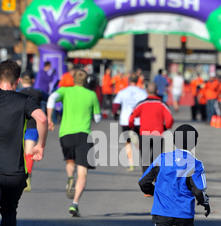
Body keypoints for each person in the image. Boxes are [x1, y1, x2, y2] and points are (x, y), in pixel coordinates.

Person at [0, 60, 48, 226]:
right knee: (10, 213)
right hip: (15, 172)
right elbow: (43, 119)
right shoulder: (25, 100)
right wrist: (40, 146)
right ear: (17, 80)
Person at [47, 69, 101, 217]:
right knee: (82, 171)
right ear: (86, 81)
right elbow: (97, 119)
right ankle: (75, 203)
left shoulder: (65, 91)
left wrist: (50, 118)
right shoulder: (92, 95)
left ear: (73, 79)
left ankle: (70, 178)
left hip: (65, 134)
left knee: (70, 160)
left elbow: (51, 99)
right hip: (84, 134)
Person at [128, 83, 174, 174]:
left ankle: (145, 179)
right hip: (158, 134)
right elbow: (170, 119)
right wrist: (165, 127)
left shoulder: (141, 104)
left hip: (144, 134)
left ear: (146, 91)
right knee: (156, 159)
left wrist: (134, 128)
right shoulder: (162, 104)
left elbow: (131, 118)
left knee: (145, 159)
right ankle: (155, 178)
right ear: (157, 91)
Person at [18, 72, 49, 191]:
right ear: (32, 80)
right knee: (29, 153)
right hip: (33, 125)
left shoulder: (18, 92)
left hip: (19, 126)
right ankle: (27, 177)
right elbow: (50, 99)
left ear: (20, 80)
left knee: (18, 152)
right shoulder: (39, 92)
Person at [112, 73, 147, 170]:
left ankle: (131, 163)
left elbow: (115, 104)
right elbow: (146, 105)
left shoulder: (123, 92)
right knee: (139, 141)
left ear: (128, 81)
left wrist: (115, 114)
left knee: (127, 142)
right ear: (137, 81)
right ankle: (143, 159)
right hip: (138, 120)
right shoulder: (142, 92)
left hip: (125, 120)